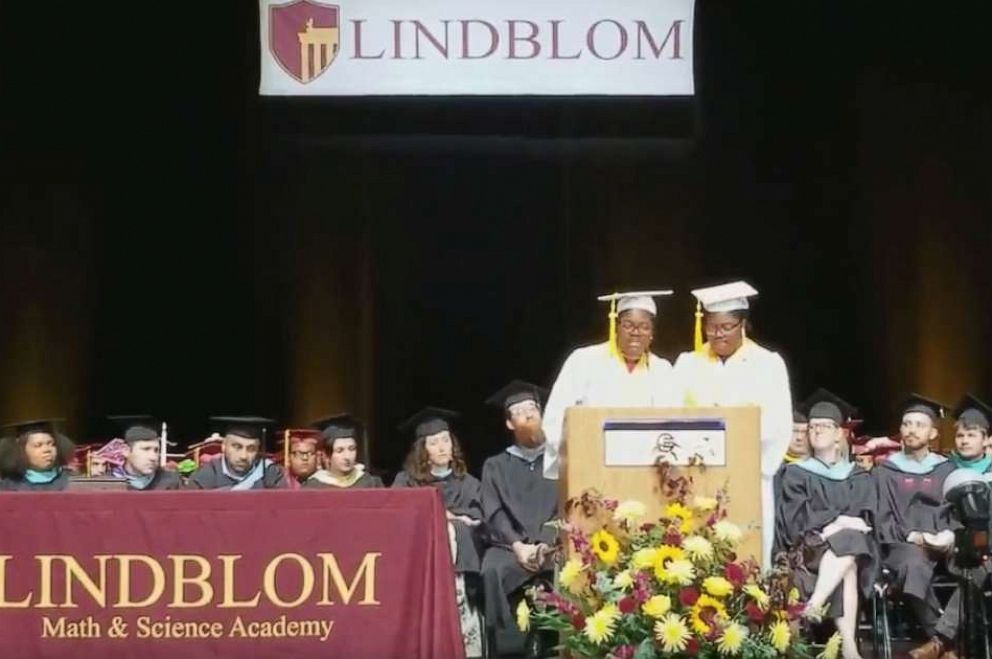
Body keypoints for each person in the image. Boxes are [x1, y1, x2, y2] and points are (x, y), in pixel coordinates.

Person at [673, 281, 793, 566]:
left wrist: (735, 436)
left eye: (726, 327)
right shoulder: (688, 364)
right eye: (712, 327)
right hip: (697, 474)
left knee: (746, 552)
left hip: (748, 473)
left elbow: (778, 423)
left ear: (743, 325)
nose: (718, 334)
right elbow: (672, 417)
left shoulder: (767, 364)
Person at [774, 390, 877, 659]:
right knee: (849, 557)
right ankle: (850, 646)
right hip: (810, 546)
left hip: (846, 549)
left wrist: (839, 525)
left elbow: (864, 521)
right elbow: (794, 520)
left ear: (838, 434)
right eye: (812, 427)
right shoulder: (795, 473)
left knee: (851, 545)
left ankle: (813, 606)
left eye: (823, 426)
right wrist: (833, 523)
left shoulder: (857, 475)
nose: (816, 431)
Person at [542, 290, 679, 479]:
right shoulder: (584, 360)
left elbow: (674, 421)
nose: (636, 333)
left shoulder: (662, 370)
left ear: (652, 333)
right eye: (628, 325)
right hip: (592, 469)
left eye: (644, 327)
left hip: (648, 474)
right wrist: (578, 455)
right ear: (616, 327)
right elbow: (556, 416)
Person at [393, 407, 484, 658]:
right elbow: (396, 520)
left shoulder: (469, 483)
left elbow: (480, 522)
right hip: (419, 574)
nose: (443, 447)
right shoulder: (406, 482)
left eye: (446, 440)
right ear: (423, 450)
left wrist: (454, 522)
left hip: (461, 577)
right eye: (434, 442)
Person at [910, 394, 992, 659]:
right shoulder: (943, 469)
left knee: (980, 567)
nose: (965, 440)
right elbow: (937, 512)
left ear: (987, 439)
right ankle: (951, 643)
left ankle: (942, 640)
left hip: (985, 548)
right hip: (952, 544)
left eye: (972, 435)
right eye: (960, 436)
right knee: (972, 567)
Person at [480, 380, 559, 656]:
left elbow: (567, 508)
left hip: (553, 544)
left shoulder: (560, 460)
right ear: (510, 424)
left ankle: (557, 647)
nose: (528, 415)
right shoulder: (496, 465)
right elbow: (494, 512)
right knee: (492, 570)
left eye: (533, 409)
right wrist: (517, 545)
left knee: (571, 569)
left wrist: (545, 544)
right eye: (520, 412)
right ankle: (508, 651)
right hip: (509, 547)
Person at [874, 395, 955, 645]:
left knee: (974, 566)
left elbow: (956, 512)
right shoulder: (885, 471)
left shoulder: (946, 470)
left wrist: (949, 535)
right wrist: (913, 536)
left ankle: (940, 640)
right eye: (906, 424)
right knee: (912, 565)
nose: (911, 430)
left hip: (943, 543)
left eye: (919, 425)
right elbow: (881, 516)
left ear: (932, 433)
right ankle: (943, 639)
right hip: (904, 544)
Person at [185, 416, 286, 490]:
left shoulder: (270, 473)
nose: (243, 456)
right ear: (224, 446)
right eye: (237, 447)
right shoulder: (206, 475)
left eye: (251, 449)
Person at [304, 414, 383, 488]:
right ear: (326, 455)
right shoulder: (313, 486)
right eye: (340, 450)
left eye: (352, 449)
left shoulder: (371, 483)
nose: (347, 456)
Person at [106, 415, 181, 490]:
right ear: (126, 451)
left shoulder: (171, 482)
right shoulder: (107, 483)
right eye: (146, 449)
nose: (153, 457)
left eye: (156, 450)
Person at [0, 418, 73, 491]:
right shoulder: (9, 485)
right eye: (38, 445)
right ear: (20, 449)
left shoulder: (70, 481)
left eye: (51, 444)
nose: (47, 450)